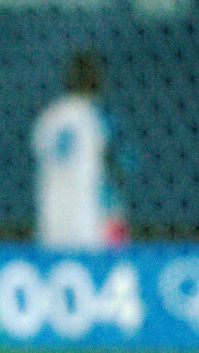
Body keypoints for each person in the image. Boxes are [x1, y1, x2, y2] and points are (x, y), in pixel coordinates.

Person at [31, 48, 129, 249]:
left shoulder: (48, 117)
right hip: (90, 213)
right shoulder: (98, 115)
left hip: (52, 211)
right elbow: (126, 163)